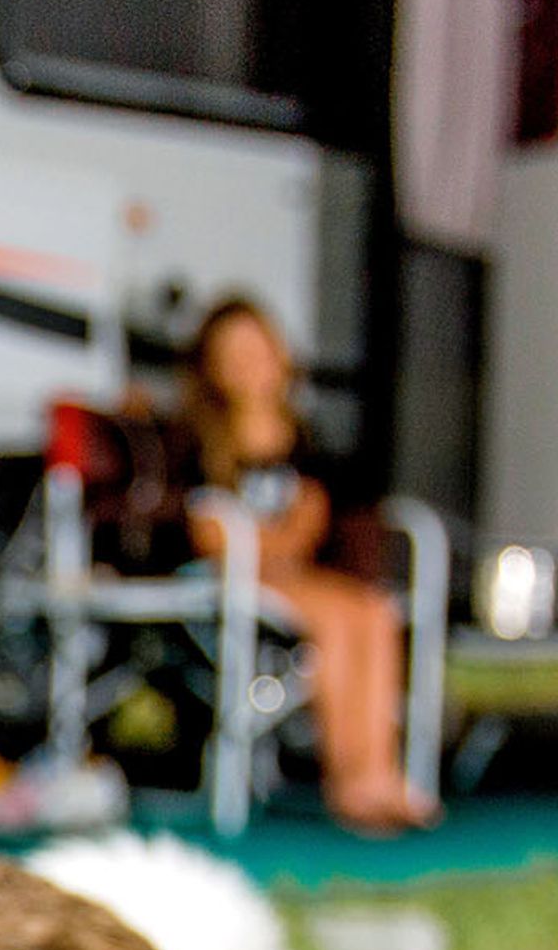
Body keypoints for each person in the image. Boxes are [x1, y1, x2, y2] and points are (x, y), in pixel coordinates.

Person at [182, 296, 439, 834]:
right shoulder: (198, 439)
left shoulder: (304, 439)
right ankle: (348, 781)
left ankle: (380, 771)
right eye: (233, 354)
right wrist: (269, 543)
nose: (249, 365)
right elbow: (212, 538)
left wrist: (273, 542)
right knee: (329, 619)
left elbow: (310, 526)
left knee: (371, 611)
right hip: (224, 582)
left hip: (292, 574)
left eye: (257, 350)